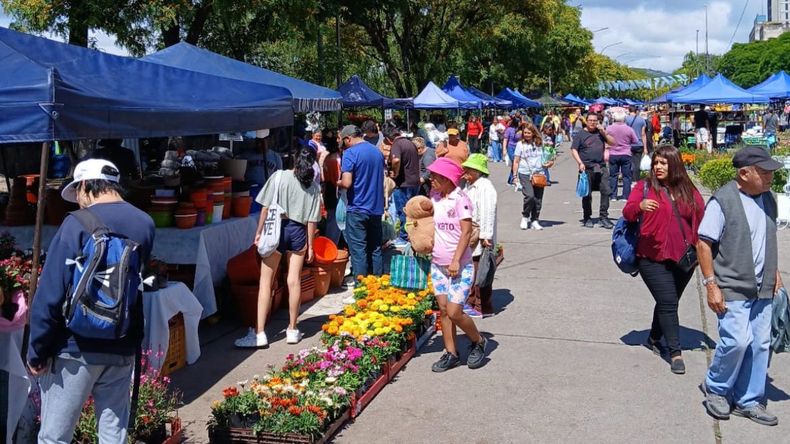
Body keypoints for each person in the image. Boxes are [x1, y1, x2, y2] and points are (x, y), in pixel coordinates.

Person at [28, 159, 155, 442]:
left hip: (74, 348)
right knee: (113, 436)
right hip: (121, 344)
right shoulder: (145, 223)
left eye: (77, 193)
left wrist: (37, 350)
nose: (79, 201)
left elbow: (51, 292)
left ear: (85, 184)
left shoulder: (75, 224)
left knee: (54, 437)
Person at [698, 147, 783, 426]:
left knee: (760, 344)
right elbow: (703, 244)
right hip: (732, 284)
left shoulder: (768, 199)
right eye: (764, 172)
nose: (770, 177)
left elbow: (765, 239)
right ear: (744, 173)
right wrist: (711, 284)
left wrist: (774, 273)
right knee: (737, 341)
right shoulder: (723, 201)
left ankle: (748, 400)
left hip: (762, 286)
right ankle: (716, 387)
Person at [622, 145, 705, 374]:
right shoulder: (645, 187)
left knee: (668, 301)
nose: (658, 167)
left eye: (663, 163)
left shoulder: (688, 190)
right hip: (651, 256)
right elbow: (628, 212)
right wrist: (639, 206)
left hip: (683, 258)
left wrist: (700, 251)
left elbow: (700, 220)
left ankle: (654, 337)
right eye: (656, 163)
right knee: (668, 302)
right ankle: (675, 353)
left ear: (674, 165)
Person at [236, 147, 321, 348]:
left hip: (276, 229)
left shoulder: (279, 176)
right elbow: (312, 220)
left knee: (266, 282)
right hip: (298, 231)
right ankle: (292, 329)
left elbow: (265, 208)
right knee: (294, 281)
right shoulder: (313, 186)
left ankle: (260, 333)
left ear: (294, 158)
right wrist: (310, 245)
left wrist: (259, 232)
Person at [427, 157, 489, 372]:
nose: (431, 178)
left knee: (454, 312)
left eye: (435, 176)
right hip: (438, 265)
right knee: (444, 311)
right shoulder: (434, 197)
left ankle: (478, 341)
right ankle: (451, 353)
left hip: (459, 267)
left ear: (447, 178)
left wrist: (455, 260)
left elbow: (466, 232)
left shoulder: (460, 200)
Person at [338, 125, 385, 279]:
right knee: (375, 248)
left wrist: (336, 182)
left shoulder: (350, 153)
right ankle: (378, 284)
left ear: (348, 139)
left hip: (357, 207)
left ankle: (361, 286)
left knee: (358, 250)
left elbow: (346, 183)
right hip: (376, 207)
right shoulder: (377, 152)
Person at [462, 154, 497, 318]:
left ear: (477, 171)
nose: (465, 172)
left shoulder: (485, 186)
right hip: (471, 233)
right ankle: (471, 302)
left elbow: (488, 212)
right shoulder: (469, 185)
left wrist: (486, 235)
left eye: (469, 169)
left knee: (481, 270)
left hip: (480, 235)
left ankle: (481, 306)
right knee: (471, 269)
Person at [571, 113, 615, 229]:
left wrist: (604, 132)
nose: (592, 123)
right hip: (586, 168)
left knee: (606, 191)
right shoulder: (580, 134)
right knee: (587, 194)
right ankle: (587, 217)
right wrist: (580, 163)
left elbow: (612, 142)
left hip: (601, 167)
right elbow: (574, 149)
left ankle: (603, 217)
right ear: (586, 121)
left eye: (595, 121)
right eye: (590, 120)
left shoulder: (600, 133)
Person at [384, 125, 420, 247]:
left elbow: (396, 160)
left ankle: (404, 237)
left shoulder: (397, 144)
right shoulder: (410, 143)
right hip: (414, 182)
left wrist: (395, 173)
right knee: (412, 211)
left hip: (404, 184)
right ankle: (413, 235)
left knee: (403, 211)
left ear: (388, 138)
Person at [513, 124, 554, 230]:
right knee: (530, 196)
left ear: (534, 133)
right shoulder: (520, 144)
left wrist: (550, 162)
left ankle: (535, 220)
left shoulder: (540, 143)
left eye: (529, 133)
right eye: (525, 133)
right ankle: (525, 216)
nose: (526, 135)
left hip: (539, 173)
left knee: (538, 199)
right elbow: (516, 161)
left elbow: (549, 156)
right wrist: (515, 176)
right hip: (525, 173)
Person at [606, 109, 639, 201]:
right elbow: (636, 141)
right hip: (626, 153)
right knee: (626, 176)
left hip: (613, 153)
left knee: (613, 176)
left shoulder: (609, 128)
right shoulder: (629, 129)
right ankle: (626, 196)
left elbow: (605, 138)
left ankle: (613, 196)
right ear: (624, 118)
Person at [322, 129, 343, 246]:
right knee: (335, 221)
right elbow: (336, 179)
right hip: (335, 192)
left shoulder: (327, 158)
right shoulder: (336, 159)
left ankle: (331, 243)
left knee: (332, 219)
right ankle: (332, 245)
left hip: (328, 190)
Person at [626, 107, 648, 188]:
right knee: (637, 163)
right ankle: (636, 180)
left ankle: (630, 179)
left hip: (628, 144)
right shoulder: (642, 120)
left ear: (629, 111)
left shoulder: (626, 119)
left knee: (629, 163)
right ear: (636, 111)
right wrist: (645, 147)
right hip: (639, 143)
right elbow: (643, 134)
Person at [503, 117, 521, 185]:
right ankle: (512, 180)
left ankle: (510, 180)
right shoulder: (509, 129)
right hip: (510, 147)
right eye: (519, 122)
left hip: (518, 148)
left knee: (515, 163)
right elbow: (505, 139)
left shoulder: (520, 129)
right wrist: (504, 149)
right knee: (514, 162)